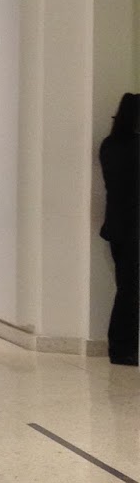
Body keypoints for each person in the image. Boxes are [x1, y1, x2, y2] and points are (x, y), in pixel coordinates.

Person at [99, 91, 140, 365]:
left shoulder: (109, 145)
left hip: (117, 226)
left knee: (126, 287)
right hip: (133, 227)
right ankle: (123, 347)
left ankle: (122, 346)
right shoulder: (135, 148)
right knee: (130, 289)